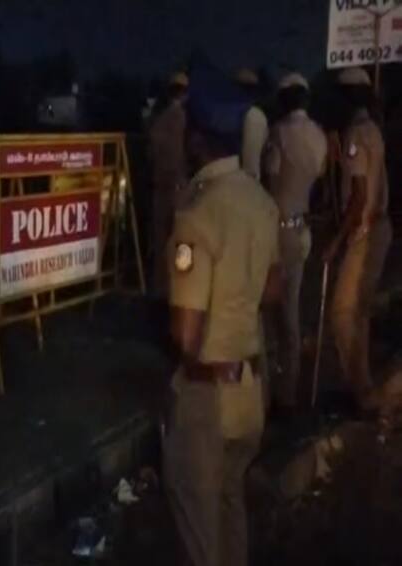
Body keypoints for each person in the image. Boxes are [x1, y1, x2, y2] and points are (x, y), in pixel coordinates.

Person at [163, 65, 282, 566]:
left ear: (197, 140)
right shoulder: (260, 200)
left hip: (207, 397)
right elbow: (272, 292)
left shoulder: (197, 213)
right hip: (251, 392)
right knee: (232, 506)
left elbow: (186, 334)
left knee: (197, 525)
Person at [323, 67, 393, 414]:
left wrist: (336, 242)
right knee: (359, 313)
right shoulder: (373, 130)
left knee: (341, 313)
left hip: (363, 231)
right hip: (380, 227)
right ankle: (362, 389)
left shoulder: (355, 134)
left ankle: (360, 393)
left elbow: (358, 197)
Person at [264, 73, 328, 416]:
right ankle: (289, 387)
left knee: (273, 312)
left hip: (279, 231)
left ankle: (277, 393)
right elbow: (316, 178)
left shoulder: (278, 134)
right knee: (292, 309)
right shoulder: (318, 134)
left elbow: (271, 179)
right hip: (303, 228)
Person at [148, 72, 189, 306]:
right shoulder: (185, 120)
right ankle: (178, 293)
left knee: (160, 242)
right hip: (177, 189)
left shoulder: (158, 120)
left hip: (158, 188)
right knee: (179, 243)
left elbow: (151, 154)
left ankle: (159, 291)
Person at [237, 68, 270, 181]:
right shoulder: (260, 116)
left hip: (235, 179)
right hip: (254, 180)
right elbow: (265, 150)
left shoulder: (235, 115)